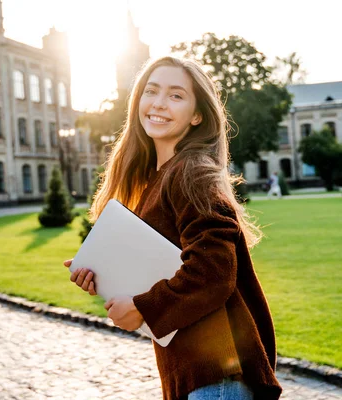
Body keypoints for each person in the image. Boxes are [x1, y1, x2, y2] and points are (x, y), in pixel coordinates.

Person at [63, 56, 282, 400]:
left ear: (197, 116)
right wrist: (106, 278)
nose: (159, 103)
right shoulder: (160, 177)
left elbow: (213, 271)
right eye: (151, 91)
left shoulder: (191, 171)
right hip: (198, 376)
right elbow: (167, 265)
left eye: (176, 95)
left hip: (217, 378)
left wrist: (141, 307)